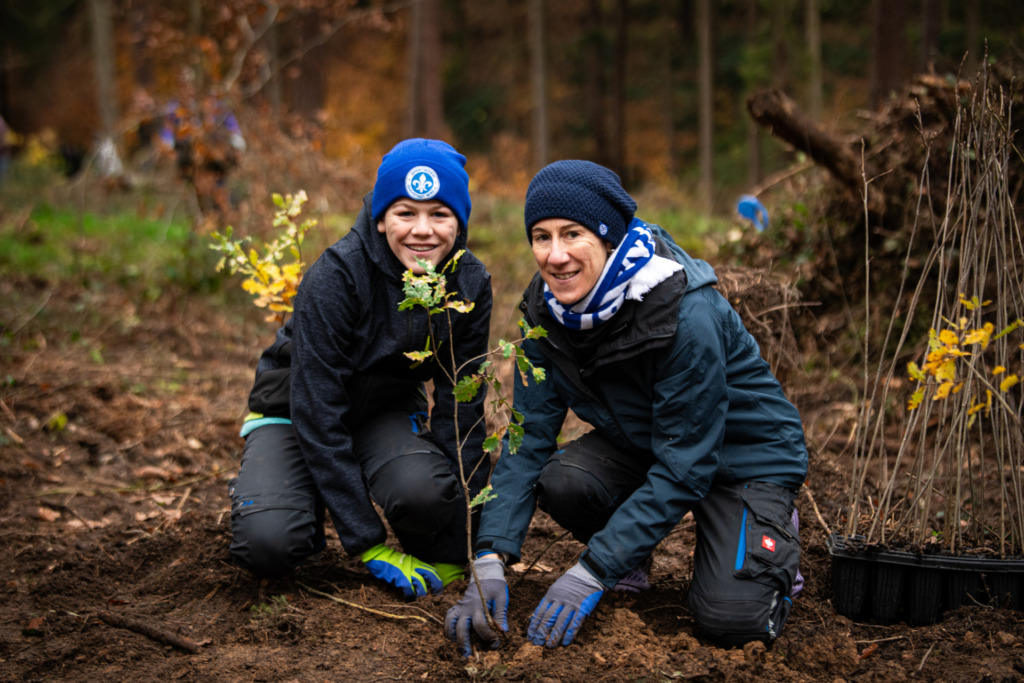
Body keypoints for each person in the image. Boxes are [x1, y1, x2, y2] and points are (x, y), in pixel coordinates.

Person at [444, 160, 808, 653]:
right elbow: (528, 439)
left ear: (609, 239)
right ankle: (631, 559)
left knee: (731, 622)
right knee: (564, 481)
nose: (555, 256)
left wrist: (591, 571)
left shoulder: (683, 312)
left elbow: (688, 466)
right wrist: (489, 558)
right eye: (541, 237)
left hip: (741, 458)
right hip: (650, 443)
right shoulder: (545, 311)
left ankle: (769, 538)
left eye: (572, 234)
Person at [230, 138, 493, 599]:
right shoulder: (336, 276)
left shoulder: (469, 283)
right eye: (405, 213)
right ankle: (297, 503)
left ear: (461, 223)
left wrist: (454, 547)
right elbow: (316, 409)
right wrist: (368, 542)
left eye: (440, 214)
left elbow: (461, 410)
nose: (422, 231)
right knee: (269, 545)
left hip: (383, 412)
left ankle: (414, 527)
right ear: (380, 218)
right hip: (294, 412)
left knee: (424, 493)